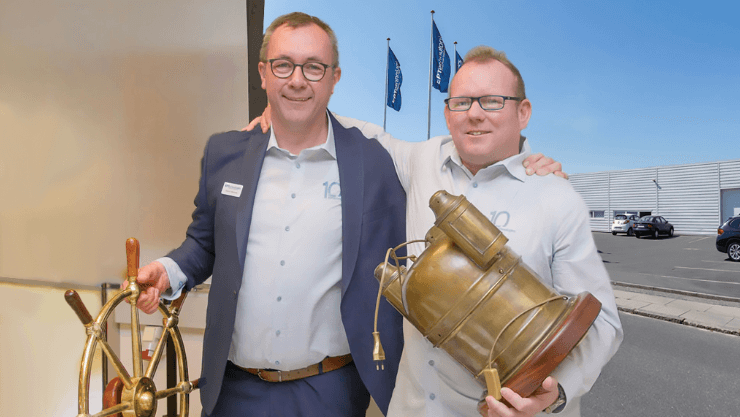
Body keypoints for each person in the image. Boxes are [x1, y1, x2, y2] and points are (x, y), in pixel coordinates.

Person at [250, 46, 622, 417]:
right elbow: (358, 132)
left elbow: (600, 321)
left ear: (522, 113)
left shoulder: (555, 195)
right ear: (447, 114)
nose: (474, 114)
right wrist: (290, 111)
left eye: (492, 101)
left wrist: (555, 395)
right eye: (461, 103)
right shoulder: (422, 160)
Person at [128, 12, 408, 417]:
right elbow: (205, 242)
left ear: (335, 78)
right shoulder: (225, 153)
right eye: (283, 65)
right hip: (233, 390)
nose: (297, 80)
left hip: (331, 391)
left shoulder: (376, 162)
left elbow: (450, 165)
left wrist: (528, 166)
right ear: (263, 74)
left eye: (314, 67)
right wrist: (169, 270)